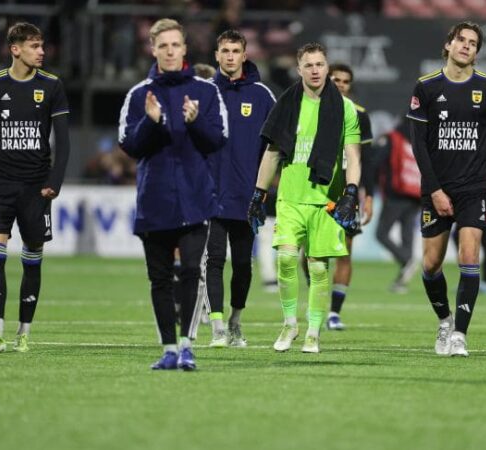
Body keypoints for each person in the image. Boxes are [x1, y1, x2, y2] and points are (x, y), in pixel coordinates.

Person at [118, 18, 227, 371]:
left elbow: (217, 141)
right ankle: (167, 348)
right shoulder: (139, 95)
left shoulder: (207, 91)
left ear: (184, 49)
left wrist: (195, 121)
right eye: (162, 45)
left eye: (175, 45)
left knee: (192, 270)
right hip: (155, 200)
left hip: (196, 199)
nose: (169, 51)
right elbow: (131, 147)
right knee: (160, 278)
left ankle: (186, 345)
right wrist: (151, 121)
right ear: (153, 49)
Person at [248, 42, 361, 354]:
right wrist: (258, 194)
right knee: (285, 259)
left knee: (319, 269)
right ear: (299, 70)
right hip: (290, 197)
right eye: (308, 65)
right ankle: (289, 323)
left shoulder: (346, 109)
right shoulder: (286, 105)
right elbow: (272, 153)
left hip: (325, 199)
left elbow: (353, 155)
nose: (315, 70)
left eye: (320, 64)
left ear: (327, 67)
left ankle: (313, 330)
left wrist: (351, 192)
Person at [0, 23, 71, 353]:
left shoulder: (52, 86)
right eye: (34, 46)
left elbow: (64, 142)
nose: (42, 51)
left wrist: (54, 182)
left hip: (35, 188)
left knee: (32, 260)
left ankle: (23, 333)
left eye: (42, 46)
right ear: (16, 49)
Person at [406, 21, 486, 357]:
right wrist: (434, 190)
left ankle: (460, 335)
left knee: (469, 254)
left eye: (473, 43)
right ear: (448, 45)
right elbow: (418, 145)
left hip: (475, 185)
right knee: (431, 265)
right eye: (460, 40)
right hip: (437, 187)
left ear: (477, 52)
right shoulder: (426, 87)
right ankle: (445, 319)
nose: (466, 46)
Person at [205, 29, 276, 348]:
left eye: (236, 50)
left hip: (248, 197)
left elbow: (276, 147)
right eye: (225, 50)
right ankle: (218, 326)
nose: (230, 56)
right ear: (216, 55)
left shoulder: (262, 96)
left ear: (245, 55)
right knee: (215, 259)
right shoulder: (203, 92)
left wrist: (264, 189)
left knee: (244, 265)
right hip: (211, 196)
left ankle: (235, 320)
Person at [324, 62, 373, 331]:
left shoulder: (359, 114)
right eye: (336, 79)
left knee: (344, 253)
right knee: (311, 254)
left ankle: (334, 312)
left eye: (345, 81)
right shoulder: (313, 109)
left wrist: (369, 195)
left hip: (347, 193)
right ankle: (316, 299)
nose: (340, 84)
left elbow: (368, 160)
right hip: (318, 191)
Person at [371, 119, 422, 293]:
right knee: (407, 236)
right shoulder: (419, 140)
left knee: (381, 233)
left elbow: (375, 161)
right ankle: (401, 281)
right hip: (416, 194)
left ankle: (407, 260)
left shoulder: (393, 138)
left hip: (396, 195)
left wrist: (371, 185)